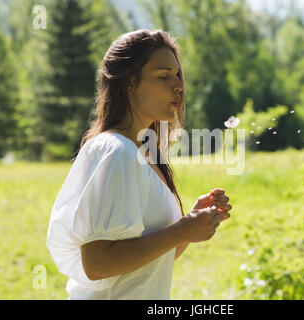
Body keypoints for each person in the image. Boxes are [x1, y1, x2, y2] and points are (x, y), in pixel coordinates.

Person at [46, 29, 232, 300]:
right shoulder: (115, 151)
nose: (178, 85)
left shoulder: (144, 154)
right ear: (130, 84)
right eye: (163, 76)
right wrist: (180, 230)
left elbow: (154, 259)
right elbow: (97, 264)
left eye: (178, 74)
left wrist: (190, 226)